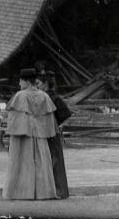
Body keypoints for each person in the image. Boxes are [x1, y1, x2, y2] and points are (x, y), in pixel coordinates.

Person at [2, 68, 58, 200]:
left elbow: (14, 118)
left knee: (21, 163)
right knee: (42, 163)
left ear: (27, 81)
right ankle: (44, 193)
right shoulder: (45, 96)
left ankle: (20, 192)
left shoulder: (20, 96)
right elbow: (49, 121)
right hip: (40, 136)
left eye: (21, 81)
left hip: (23, 135)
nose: (19, 84)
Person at [37, 70, 72, 199]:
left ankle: (57, 191)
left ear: (45, 84)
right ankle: (55, 190)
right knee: (51, 161)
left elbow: (65, 113)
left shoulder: (52, 98)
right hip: (48, 132)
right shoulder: (49, 97)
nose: (37, 86)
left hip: (51, 134)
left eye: (39, 83)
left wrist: (54, 123)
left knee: (54, 161)